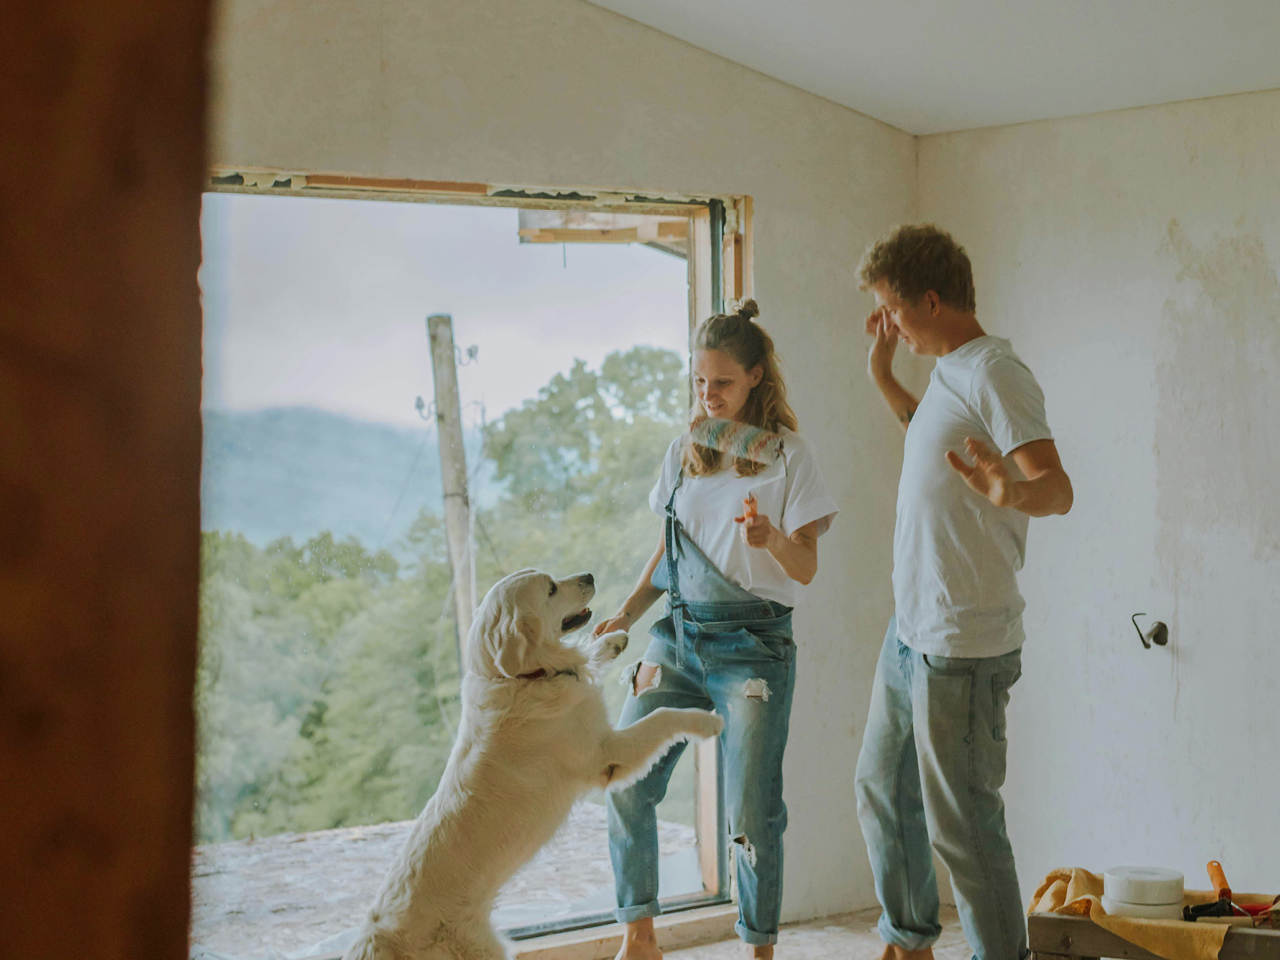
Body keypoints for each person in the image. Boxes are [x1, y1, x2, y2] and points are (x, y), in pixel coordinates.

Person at [853, 225, 1073, 960]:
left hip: (963, 642)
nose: (889, 322)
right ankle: (911, 939)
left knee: (965, 826)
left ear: (933, 299)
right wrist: (885, 374)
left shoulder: (996, 372)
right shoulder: (948, 366)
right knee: (882, 787)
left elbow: (1058, 488)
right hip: (911, 626)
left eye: (893, 309)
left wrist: (1013, 488)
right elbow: (929, 430)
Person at [594, 300, 838, 960]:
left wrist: (771, 537)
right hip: (677, 638)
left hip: (754, 647)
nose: (709, 395)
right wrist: (629, 612)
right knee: (623, 777)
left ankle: (758, 949)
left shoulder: (790, 456)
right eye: (700, 383)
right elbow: (669, 548)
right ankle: (639, 938)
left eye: (722, 383)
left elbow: (808, 568)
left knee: (752, 815)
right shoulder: (686, 450)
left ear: (757, 376)